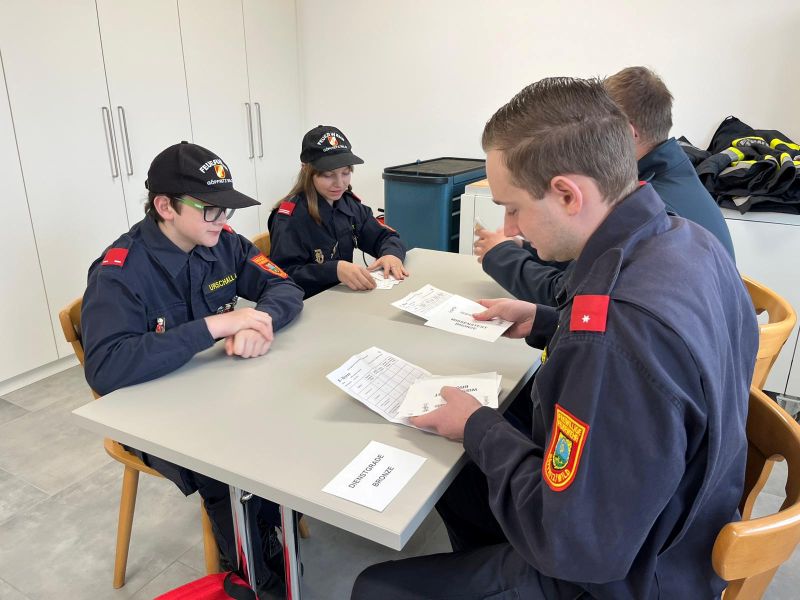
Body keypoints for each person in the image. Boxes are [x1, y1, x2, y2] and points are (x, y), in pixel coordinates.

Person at [351, 78, 758, 599]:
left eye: (513, 208)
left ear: (568, 194)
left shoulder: (614, 338)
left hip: (619, 575)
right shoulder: (685, 239)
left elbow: (573, 545)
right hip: (672, 519)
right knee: (462, 477)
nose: (510, 229)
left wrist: (477, 425)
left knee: (377, 587)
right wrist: (548, 320)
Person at [81, 141, 304, 598]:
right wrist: (214, 327)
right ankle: (254, 575)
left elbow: (284, 286)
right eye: (211, 209)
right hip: (150, 417)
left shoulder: (222, 243)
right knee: (224, 462)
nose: (223, 220)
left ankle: (271, 529)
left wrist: (260, 322)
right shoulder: (119, 272)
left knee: (284, 419)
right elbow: (106, 367)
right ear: (165, 207)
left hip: (212, 393)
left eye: (227, 209)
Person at [476, 66, 735, 306]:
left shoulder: (653, 208)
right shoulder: (667, 185)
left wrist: (501, 255)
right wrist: (530, 248)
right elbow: (585, 261)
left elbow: (570, 292)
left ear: (625, 133)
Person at [268, 125, 408, 298]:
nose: (340, 183)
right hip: (308, 303)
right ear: (306, 170)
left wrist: (391, 255)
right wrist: (334, 271)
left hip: (344, 298)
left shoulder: (348, 205)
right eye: (328, 175)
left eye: (346, 173)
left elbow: (385, 237)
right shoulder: (290, 217)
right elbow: (283, 275)